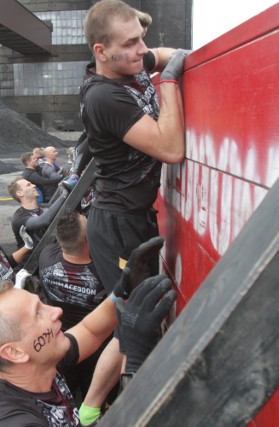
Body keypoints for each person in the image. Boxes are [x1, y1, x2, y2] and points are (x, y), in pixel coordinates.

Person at [0, 264, 176, 426]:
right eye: (38, 313)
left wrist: (123, 291)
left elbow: (89, 331)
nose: (56, 311)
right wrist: (136, 368)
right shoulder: (9, 421)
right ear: (14, 352)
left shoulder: (35, 365)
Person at [81, 0, 188, 291]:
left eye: (141, 37)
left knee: (147, 304)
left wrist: (185, 59)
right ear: (101, 51)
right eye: (131, 42)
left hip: (136, 216)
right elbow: (171, 149)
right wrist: (168, 81)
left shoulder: (129, 61)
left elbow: (164, 55)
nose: (142, 49)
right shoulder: (103, 95)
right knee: (135, 316)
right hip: (118, 225)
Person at [38, 210, 110, 402]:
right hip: (96, 347)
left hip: (63, 343)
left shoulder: (46, 258)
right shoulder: (102, 275)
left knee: (66, 396)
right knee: (93, 399)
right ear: (89, 239)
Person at [7, 177, 67, 249]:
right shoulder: (19, 217)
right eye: (28, 185)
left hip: (55, 250)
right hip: (36, 258)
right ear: (20, 193)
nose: (34, 185)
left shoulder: (45, 206)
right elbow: (42, 221)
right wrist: (64, 195)